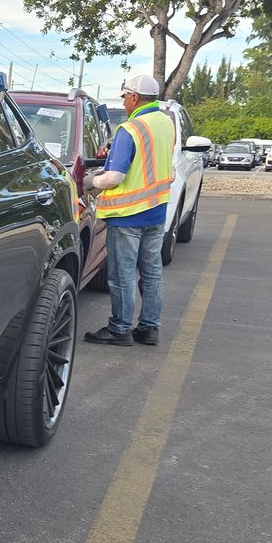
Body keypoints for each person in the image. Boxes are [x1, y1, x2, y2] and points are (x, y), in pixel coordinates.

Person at [82, 74, 177, 346]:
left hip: (127, 215)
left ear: (134, 97)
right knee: (152, 272)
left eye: (124, 96)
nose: (123, 101)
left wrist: (90, 181)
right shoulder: (165, 124)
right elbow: (163, 169)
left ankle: (120, 328)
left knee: (122, 274)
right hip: (156, 211)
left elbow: (114, 178)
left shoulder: (131, 129)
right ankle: (149, 328)